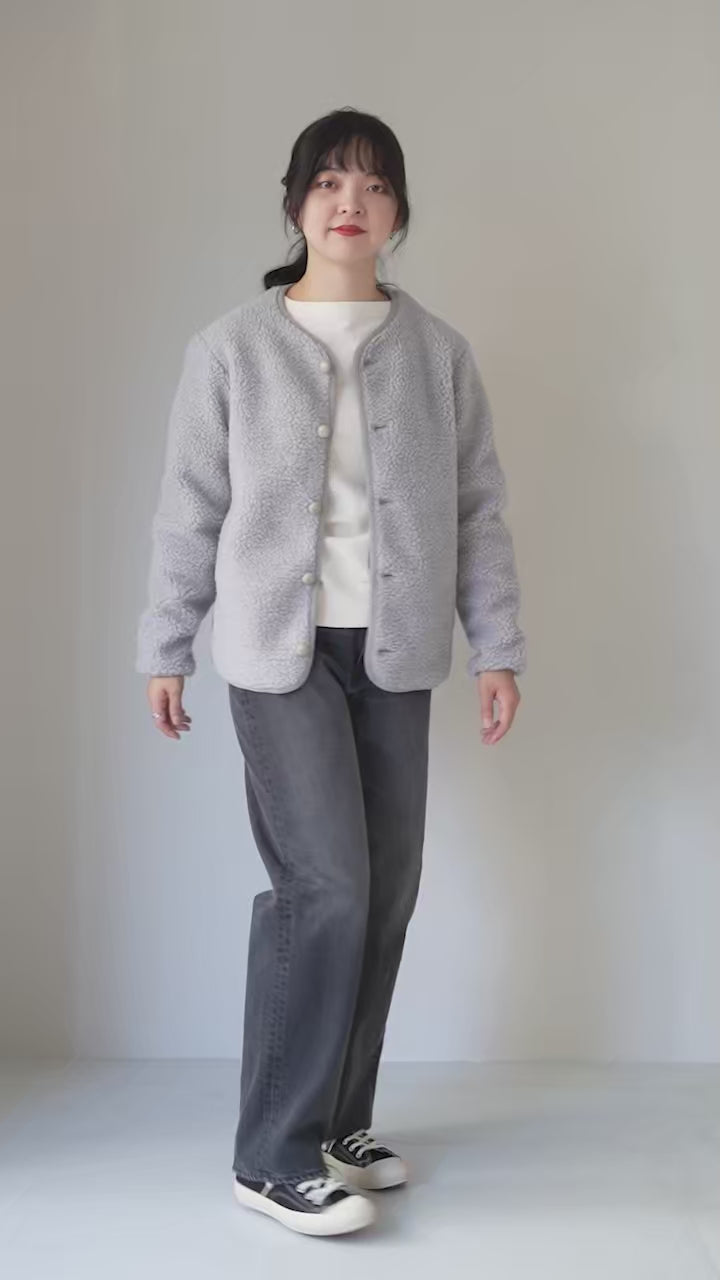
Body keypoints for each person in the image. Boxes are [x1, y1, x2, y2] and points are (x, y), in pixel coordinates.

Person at [135, 107, 527, 1237]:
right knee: (327, 887)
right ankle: (272, 1152)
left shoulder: (439, 353)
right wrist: (166, 642)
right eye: (328, 181)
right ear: (295, 201)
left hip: (395, 652)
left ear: (398, 211)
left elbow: (478, 510)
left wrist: (498, 644)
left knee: (387, 888)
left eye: (374, 184)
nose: (349, 201)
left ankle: (338, 1124)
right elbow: (189, 509)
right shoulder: (231, 349)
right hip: (278, 653)